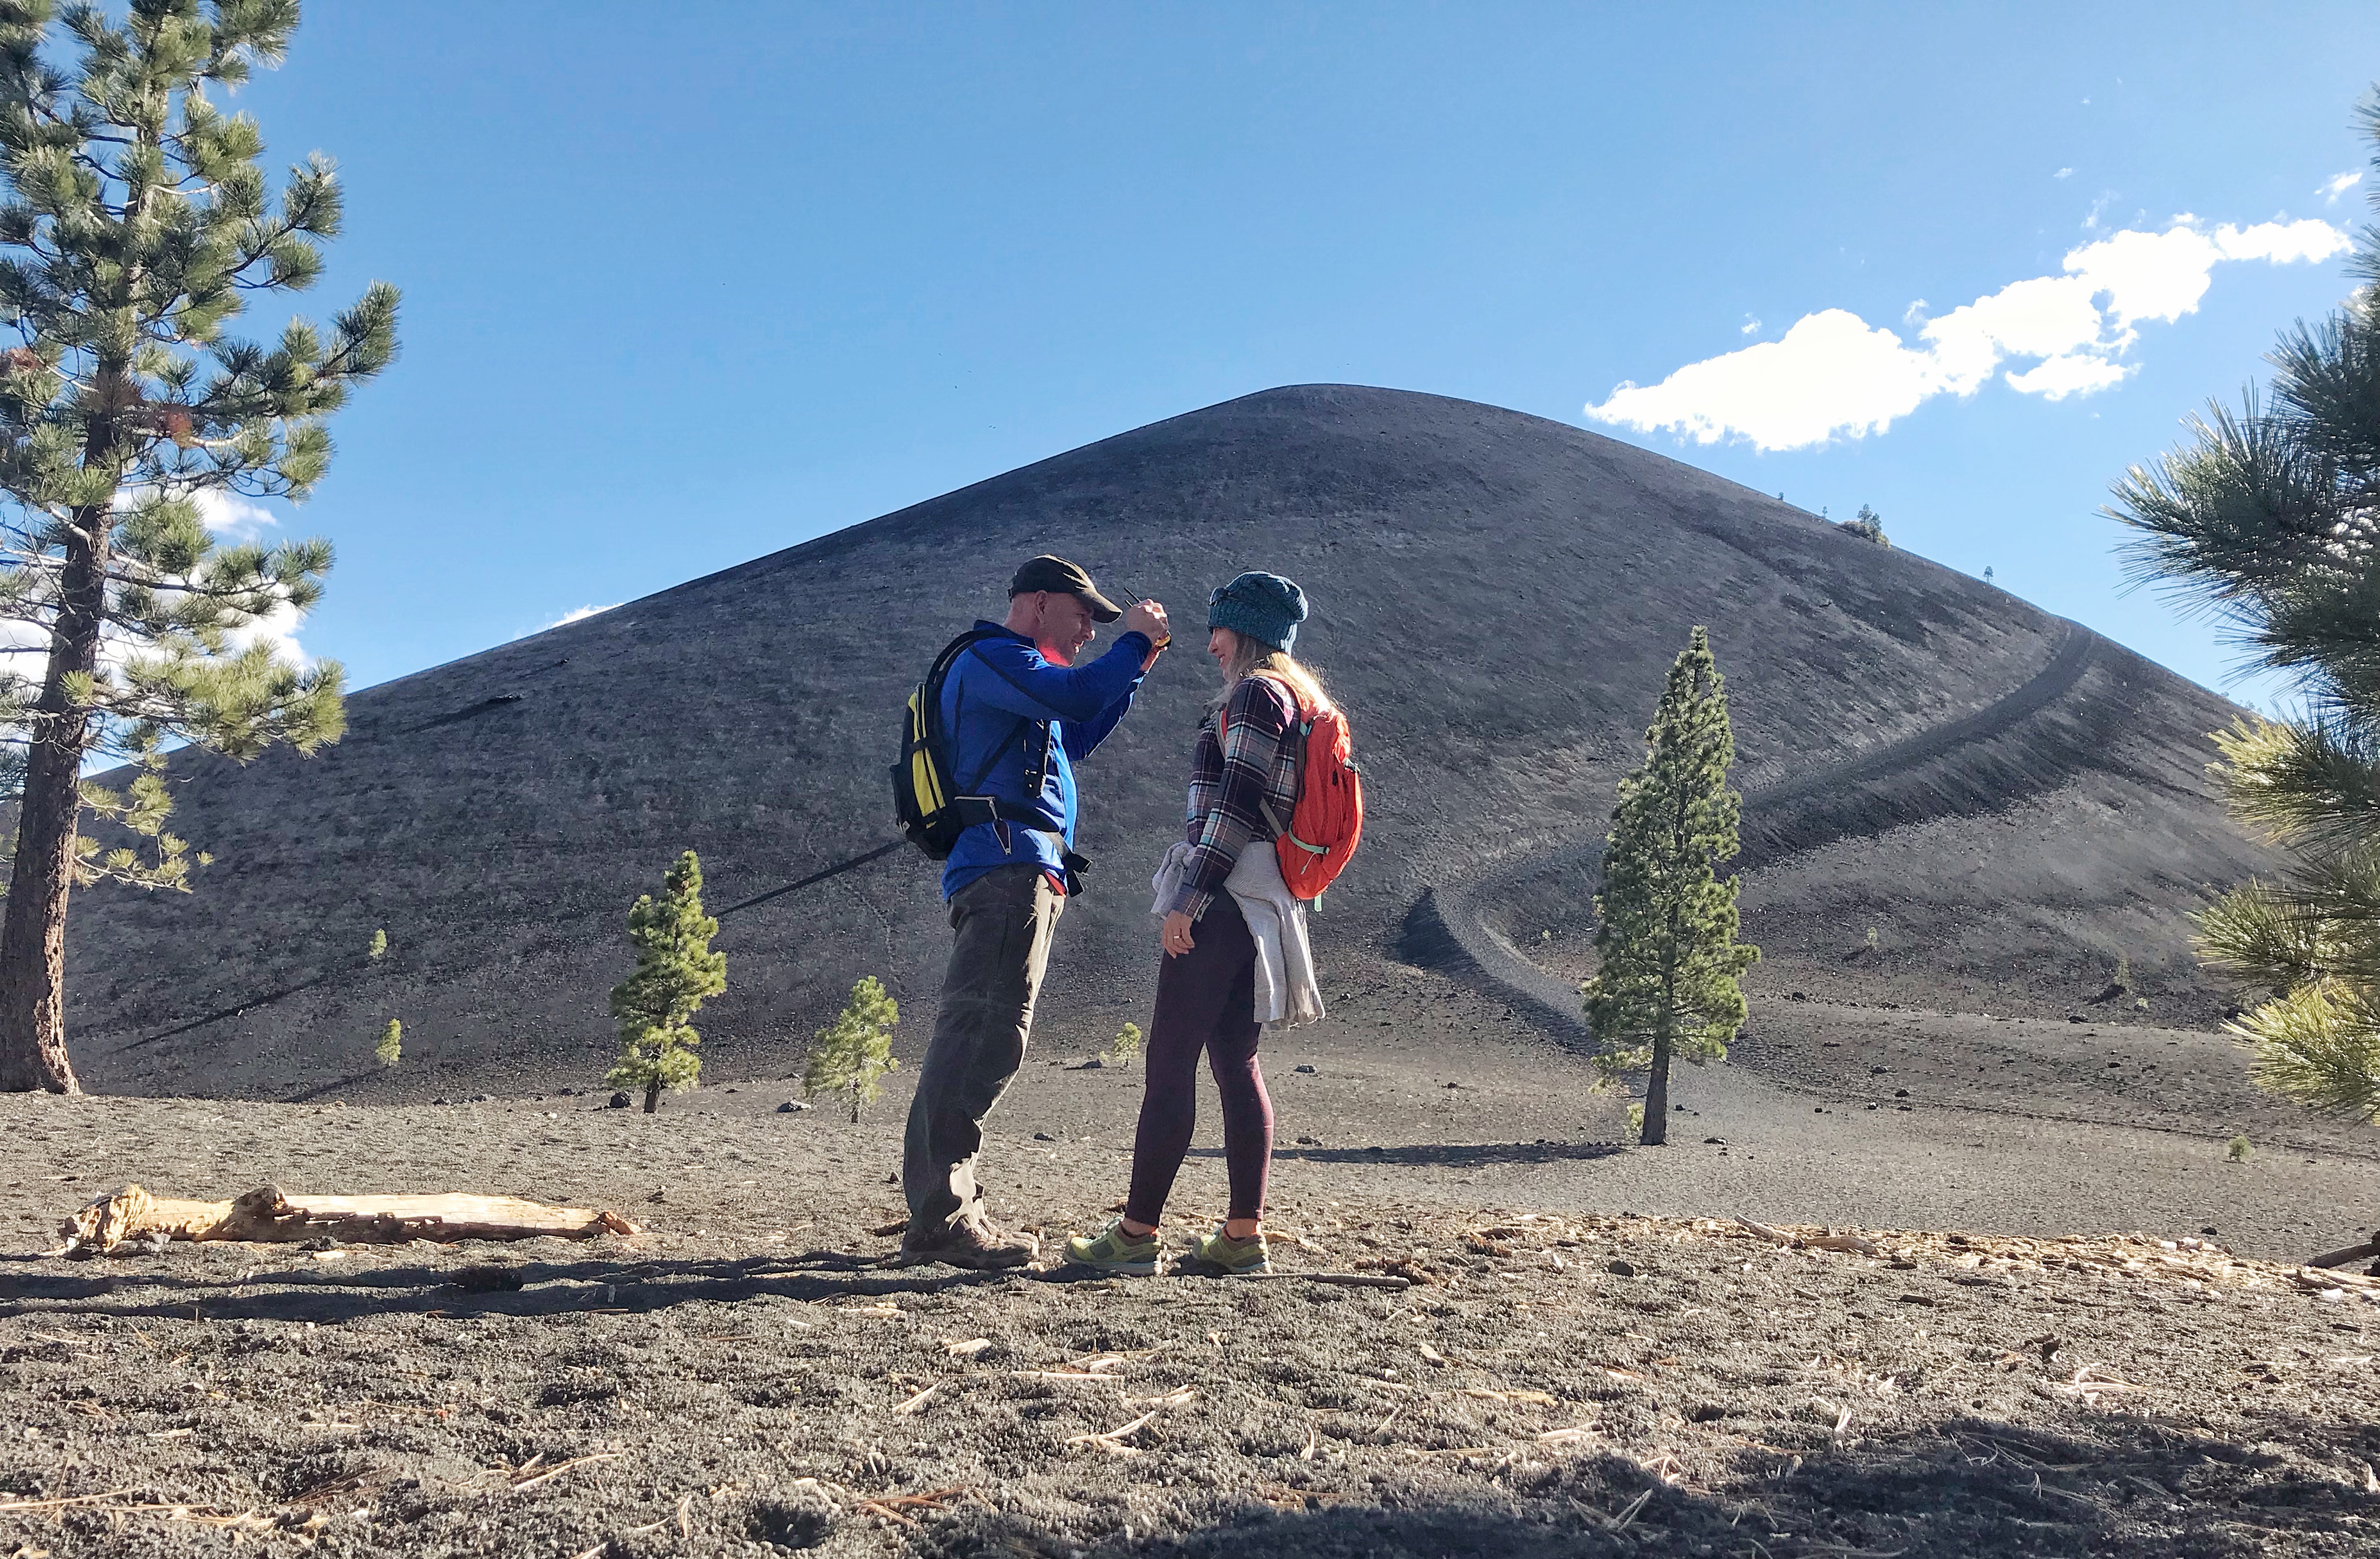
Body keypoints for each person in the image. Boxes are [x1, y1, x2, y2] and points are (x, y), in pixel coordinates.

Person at [900, 555, 1171, 1269]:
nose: (1088, 632)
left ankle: (939, 1212)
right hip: (1005, 867)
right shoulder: (996, 656)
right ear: (1041, 603)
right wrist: (1134, 643)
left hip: (1014, 866)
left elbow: (1073, 732)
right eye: (1084, 615)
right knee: (983, 1030)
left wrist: (1133, 669)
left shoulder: (1014, 674)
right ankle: (942, 1218)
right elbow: (1079, 698)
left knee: (986, 1029)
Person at [1067, 570, 1328, 1278]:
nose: (1209, 643)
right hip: (1268, 903)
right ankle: (1242, 1236)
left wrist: (1190, 897)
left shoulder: (1254, 694)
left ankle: (1134, 1234)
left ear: (1241, 631)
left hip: (1226, 898)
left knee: (1170, 1062)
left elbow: (1236, 806)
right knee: (1235, 1063)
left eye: (1217, 628)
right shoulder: (1302, 701)